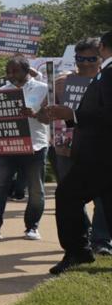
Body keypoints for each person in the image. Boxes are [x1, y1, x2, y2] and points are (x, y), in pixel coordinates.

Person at [41, 31, 112, 275]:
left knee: (68, 195)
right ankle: (80, 250)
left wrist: (72, 115)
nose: (84, 63)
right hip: (96, 153)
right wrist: (69, 118)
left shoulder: (109, 74)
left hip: (101, 156)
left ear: (102, 48)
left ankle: (78, 251)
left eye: (91, 58)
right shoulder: (104, 74)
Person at [0, 56, 49, 242]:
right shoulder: (1, 92)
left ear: (26, 70)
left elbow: (49, 119)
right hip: (7, 147)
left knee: (36, 189)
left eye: (15, 71)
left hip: (35, 146)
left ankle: (32, 227)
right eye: (8, 71)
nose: (10, 75)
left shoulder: (43, 89)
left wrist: (36, 114)